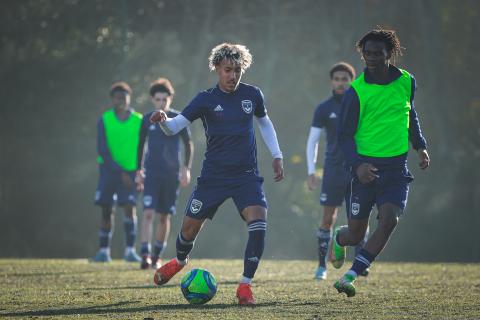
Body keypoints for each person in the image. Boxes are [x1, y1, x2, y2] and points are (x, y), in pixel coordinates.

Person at [150, 43, 284, 306]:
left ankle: (245, 287)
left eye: (237, 70)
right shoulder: (205, 99)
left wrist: (277, 155)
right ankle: (179, 261)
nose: (233, 76)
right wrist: (163, 121)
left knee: (259, 224)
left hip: (246, 176)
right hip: (213, 177)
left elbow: (264, 123)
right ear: (216, 69)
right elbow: (175, 127)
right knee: (189, 229)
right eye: (227, 70)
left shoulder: (252, 95)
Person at [333, 28, 430, 297]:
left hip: (396, 169)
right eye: (367, 53)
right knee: (354, 235)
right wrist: (358, 166)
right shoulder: (356, 91)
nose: (372, 58)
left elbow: (410, 115)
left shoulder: (407, 82)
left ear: (391, 54)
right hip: (364, 171)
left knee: (389, 220)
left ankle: (350, 275)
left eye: (378, 53)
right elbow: (343, 136)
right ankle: (339, 238)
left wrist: (420, 146)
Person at [306, 62, 369, 280]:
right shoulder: (324, 108)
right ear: (332, 82)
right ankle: (322, 267)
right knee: (327, 219)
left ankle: (360, 263)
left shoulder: (361, 104)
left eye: (345, 79)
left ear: (352, 81)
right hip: (333, 171)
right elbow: (312, 141)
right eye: (337, 79)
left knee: (359, 219)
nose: (341, 83)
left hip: (358, 170)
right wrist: (311, 170)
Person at [136, 78, 194, 269]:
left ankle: (157, 256)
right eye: (158, 99)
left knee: (164, 216)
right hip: (151, 174)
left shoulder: (178, 118)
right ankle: (144, 254)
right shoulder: (146, 119)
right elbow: (140, 145)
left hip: (171, 175)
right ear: (153, 100)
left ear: (170, 99)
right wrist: (139, 170)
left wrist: (186, 168)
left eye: (165, 99)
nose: (162, 103)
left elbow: (188, 144)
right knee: (148, 213)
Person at [93, 82, 143, 262]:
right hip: (108, 171)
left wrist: (139, 170)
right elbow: (102, 150)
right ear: (112, 100)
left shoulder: (139, 120)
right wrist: (119, 172)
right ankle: (103, 252)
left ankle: (130, 251)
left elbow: (144, 147)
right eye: (117, 97)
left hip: (131, 172)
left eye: (124, 97)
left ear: (129, 98)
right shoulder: (104, 119)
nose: (120, 100)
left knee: (130, 209)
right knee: (107, 211)